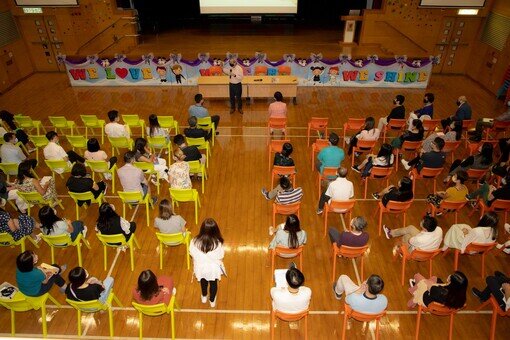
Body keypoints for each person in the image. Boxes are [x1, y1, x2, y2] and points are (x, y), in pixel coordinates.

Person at [189, 218, 225, 308]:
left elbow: (191, 253)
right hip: (213, 269)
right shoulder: (217, 243)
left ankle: (204, 296)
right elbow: (221, 255)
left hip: (200, 268)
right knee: (213, 284)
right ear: (215, 230)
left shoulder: (194, 241)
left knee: (203, 282)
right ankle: (212, 300)